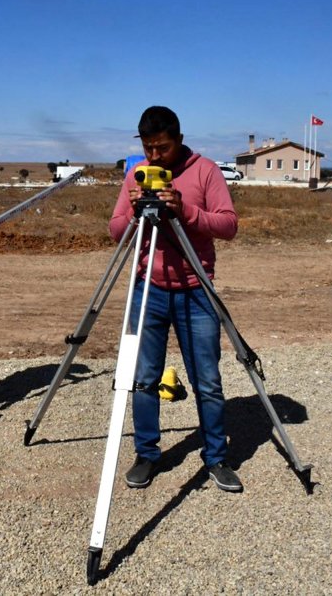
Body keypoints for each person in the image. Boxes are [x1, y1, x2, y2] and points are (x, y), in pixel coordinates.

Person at [108, 105, 242, 491]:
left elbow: (228, 225)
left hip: (195, 290)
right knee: (145, 378)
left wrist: (185, 211)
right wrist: (135, 214)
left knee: (208, 380)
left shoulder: (205, 170)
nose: (154, 157)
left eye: (162, 148)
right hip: (147, 287)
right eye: (148, 148)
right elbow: (117, 230)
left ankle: (216, 457)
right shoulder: (137, 174)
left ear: (179, 140)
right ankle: (147, 454)